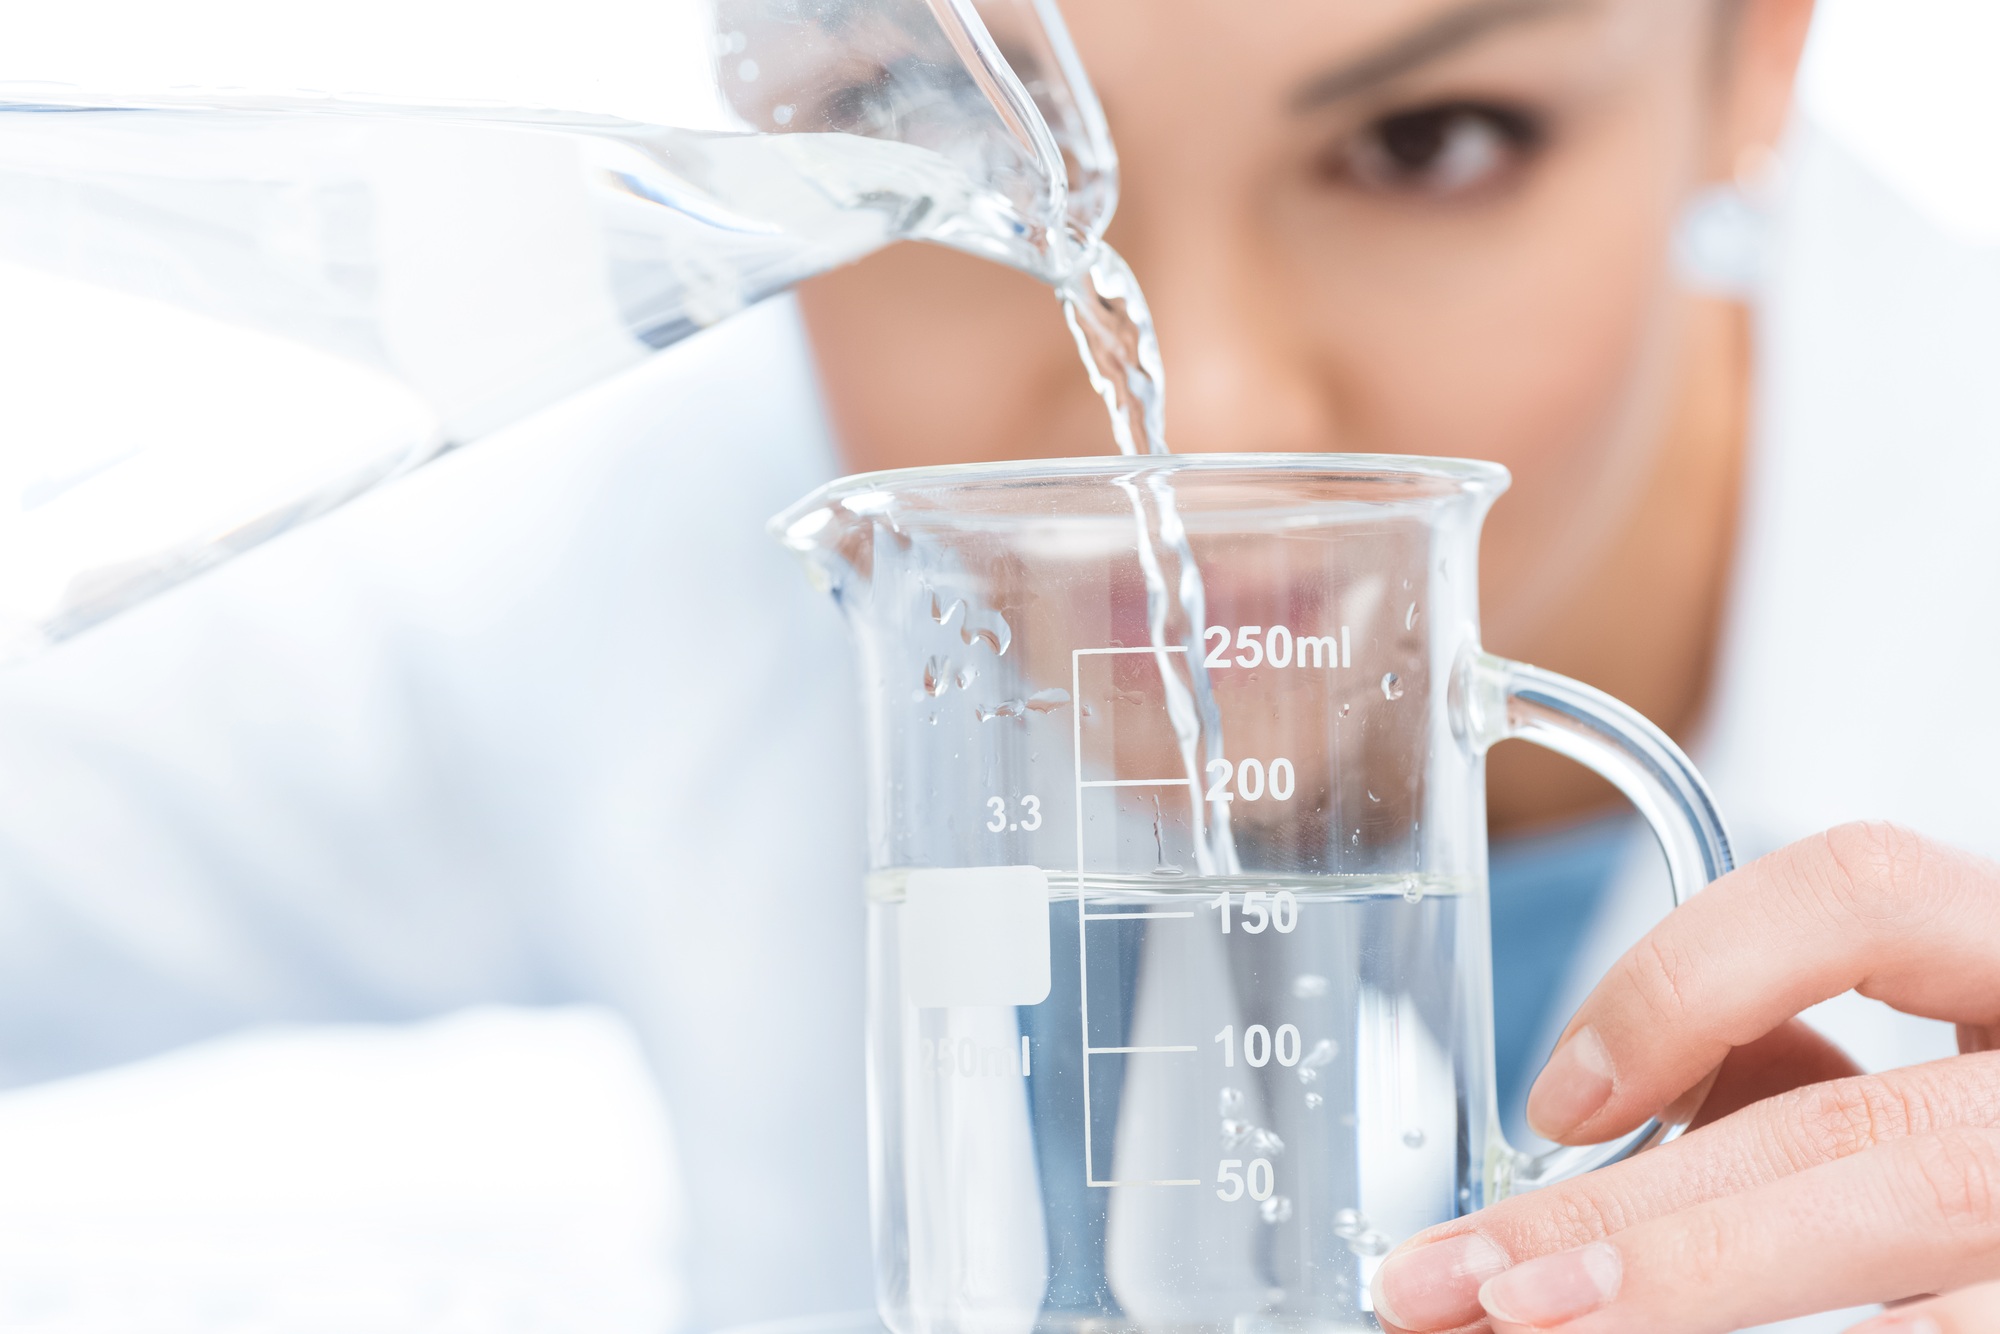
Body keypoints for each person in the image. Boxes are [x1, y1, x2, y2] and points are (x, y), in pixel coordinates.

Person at [0, 0, 1993, 1330]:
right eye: (929, 162)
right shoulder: (643, 544)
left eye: (1430, 140)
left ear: (1759, 51)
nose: (1192, 449)